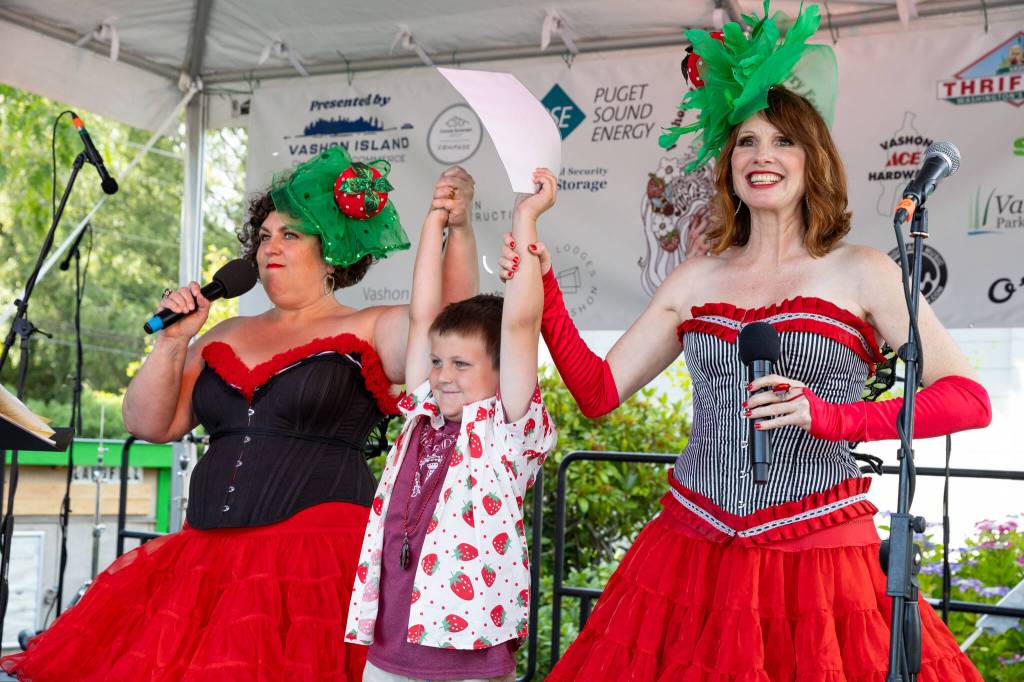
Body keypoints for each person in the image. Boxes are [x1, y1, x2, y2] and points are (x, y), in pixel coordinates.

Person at [500, 7, 992, 680]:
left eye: (783, 141)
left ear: (812, 159)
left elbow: (968, 400)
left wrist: (837, 419)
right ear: (728, 163)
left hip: (820, 554)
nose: (762, 155)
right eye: (746, 142)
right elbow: (596, 391)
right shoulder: (695, 276)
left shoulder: (865, 270)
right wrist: (545, 278)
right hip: (692, 545)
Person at [0, 147, 479, 681]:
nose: (270, 247)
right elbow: (149, 424)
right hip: (206, 566)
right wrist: (173, 344)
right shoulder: (221, 334)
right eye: (265, 235)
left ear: (334, 251)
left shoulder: (370, 327)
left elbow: (450, 331)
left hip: (317, 572)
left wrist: (456, 230)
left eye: (290, 235)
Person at [345, 170, 559, 682]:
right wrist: (435, 220)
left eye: (461, 365)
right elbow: (424, 317)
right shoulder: (423, 413)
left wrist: (526, 217)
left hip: (467, 658)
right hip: (391, 649)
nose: (442, 376)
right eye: (438, 363)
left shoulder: (504, 425)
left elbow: (522, 323)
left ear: (501, 370)